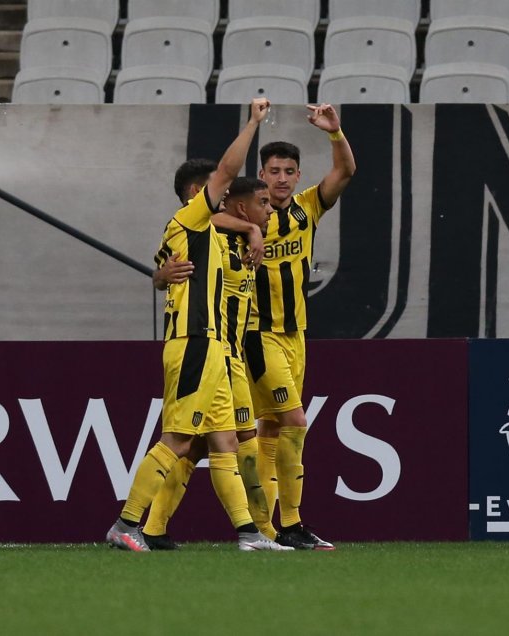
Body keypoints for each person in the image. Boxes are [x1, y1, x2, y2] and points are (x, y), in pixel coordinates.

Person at [105, 99, 288, 552]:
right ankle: (127, 525)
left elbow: (163, 272)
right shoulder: (191, 219)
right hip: (195, 342)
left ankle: (249, 533)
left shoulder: (203, 233)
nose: (222, 197)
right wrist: (253, 123)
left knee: (225, 441)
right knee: (179, 440)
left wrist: (160, 276)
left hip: (214, 349)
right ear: (195, 195)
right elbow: (228, 170)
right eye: (213, 191)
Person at [142, 176, 275, 549]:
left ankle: (154, 528)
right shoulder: (202, 231)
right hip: (209, 350)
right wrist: (161, 276)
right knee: (226, 439)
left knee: (211, 443)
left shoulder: (238, 233)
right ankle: (260, 530)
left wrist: (252, 229)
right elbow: (160, 271)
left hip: (229, 351)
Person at [245, 104, 356, 550]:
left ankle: (264, 532)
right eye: (274, 171)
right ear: (262, 174)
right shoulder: (247, 215)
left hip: (296, 335)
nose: (283, 178)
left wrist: (335, 133)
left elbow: (346, 171)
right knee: (295, 421)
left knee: (272, 429)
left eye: (290, 171)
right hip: (258, 333)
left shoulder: (307, 208)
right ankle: (289, 524)